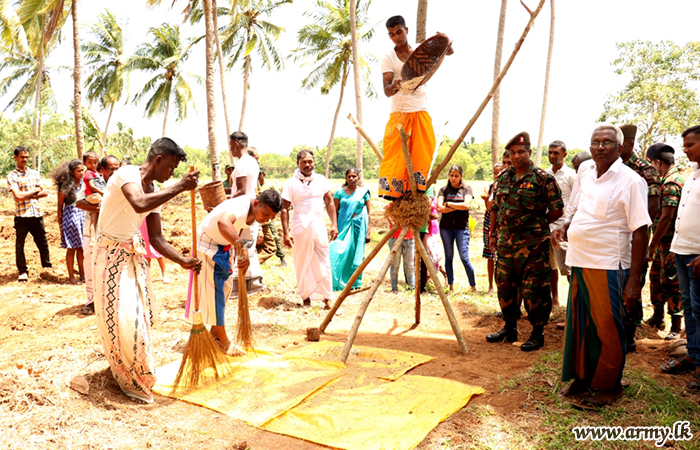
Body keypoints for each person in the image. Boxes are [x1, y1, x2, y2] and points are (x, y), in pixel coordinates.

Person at [93, 137, 200, 403]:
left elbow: (157, 238)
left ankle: (138, 373)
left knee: (137, 318)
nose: (172, 173)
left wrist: (182, 260)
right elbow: (138, 203)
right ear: (159, 160)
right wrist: (180, 187)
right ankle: (126, 375)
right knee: (120, 320)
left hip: (132, 256)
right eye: (171, 167)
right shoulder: (127, 174)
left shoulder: (154, 190)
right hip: (108, 257)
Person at [553, 124, 650, 408]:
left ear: (619, 148)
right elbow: (579, 205)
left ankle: (609, 386)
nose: (600, 147)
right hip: (579, 259)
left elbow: (641, 231)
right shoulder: (586, 171)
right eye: (595, 142)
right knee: (581, 323)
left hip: (608, 263)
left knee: (607, 325)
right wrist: (565, 225)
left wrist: (634, 281)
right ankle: (584, 378)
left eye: (607, 142)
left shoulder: (630, 181)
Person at [487, 132, 564, 351]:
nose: (516, 156)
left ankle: (537, 333)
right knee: (505, 287)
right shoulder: (502, 177)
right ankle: (509, 328)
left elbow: (557, 210)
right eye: (512, 153)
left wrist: (536, 225)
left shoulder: (543, 178)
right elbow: (495, 208)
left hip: (533, 247)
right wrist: (493, 234)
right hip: (505, 246)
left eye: (521, 152)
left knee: (535, 290)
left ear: (529, 153)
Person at [191, 189, 283, 354]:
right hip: (208, 243)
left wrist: (239, 254)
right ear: (256, 203)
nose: (266, 219)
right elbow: (223, 222)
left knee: (226, 289)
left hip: (223, 245)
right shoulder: (241, 206)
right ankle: (224, 341)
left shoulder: (254, 214)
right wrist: (240, 246)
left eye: (270, 218)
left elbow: (238, 229)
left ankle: (214, 332)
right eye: (265, 214)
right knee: (216, 292)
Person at [377, 15, 452, 199]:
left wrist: (445, 42)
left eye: (399, 32)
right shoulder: (388, 58)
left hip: (420, 108)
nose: (396, 36)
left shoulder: (420, 50)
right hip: (399, 112)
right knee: (396, 155)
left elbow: (448, 52)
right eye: (391, 34)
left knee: (424, 149)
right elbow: (386, 90)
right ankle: (393, 193)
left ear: (406, 30)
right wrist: (394, 86)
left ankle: (416, 190)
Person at [663, 125, 700, 391]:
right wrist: (675, 246)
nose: (685, 150)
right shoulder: (692, 176)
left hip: (698, 253)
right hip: (683, 249)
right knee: (688, 305)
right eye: (684, 145)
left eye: (690, 145)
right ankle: (693, 355)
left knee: (699, 308)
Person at [618, 124, 661, 352]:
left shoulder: (645, 170)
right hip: (613, 239)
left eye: (619, 144)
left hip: (636, 238)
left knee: (632, 284)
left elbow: (652, 209)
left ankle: (628, 336)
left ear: (630, 145)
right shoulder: (611, 167)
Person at [281, 149, 338, 308]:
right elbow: (284, 208)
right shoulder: (291, 183)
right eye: (304, 162)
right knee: (302, 260)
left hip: (318, 224)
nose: (308, 164)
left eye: (310, 161)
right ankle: (306, 298)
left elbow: (329, 202)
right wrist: (286, 233)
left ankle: (328, 298)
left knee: (324, 259)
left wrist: (333, 224)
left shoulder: (321, 180)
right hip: (300, 225)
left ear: (314, 162)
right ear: (298, 163)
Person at [646, 143, 684, 340]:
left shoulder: (671, 184)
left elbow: (667, 218)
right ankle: (658, 317)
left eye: (652, 164)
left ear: (658, 162)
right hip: (663, 243)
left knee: (671, 283)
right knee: (655, 279)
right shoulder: (668, 180)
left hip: (669, 244)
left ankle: (676, 326)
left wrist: (653, 243)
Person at [76, 155, 120, 315]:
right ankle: (91, 301)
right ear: (102, 169)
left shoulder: (122, 184)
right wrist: (101, 206)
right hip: (92, 232)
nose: (114, 172)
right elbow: (79, 202)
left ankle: (110, 300)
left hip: (114, 234)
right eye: (111, 169)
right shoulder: (94, 180)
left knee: (112, 267)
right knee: (90, 267)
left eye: (117, 168)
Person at [8, 146, 52, 282]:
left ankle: (47, 268)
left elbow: (44, 192)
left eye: (27, 157)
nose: (25, 159)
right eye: (22, 157)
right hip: (22, 216)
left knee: (43, 243)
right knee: (20, 244)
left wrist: (27, 194)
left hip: (36, 214)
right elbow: (18, 196)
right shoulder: (12, 175)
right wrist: (34, 192)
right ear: (15, 157)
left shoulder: (34, 173)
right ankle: (22, 271)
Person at [545, 141, 576, 307]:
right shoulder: (545, 174)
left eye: (556, 153)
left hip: (564, 228)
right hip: (547, 226)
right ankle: (555, 299)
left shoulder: (571, 176)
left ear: (564, 154)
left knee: (568, 269)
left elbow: (576, 200)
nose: (552, 156)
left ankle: (575, 302)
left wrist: (567, 225)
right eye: (550, 152)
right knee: (551, 266)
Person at [437, 165, 477, 294]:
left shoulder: (466, 189)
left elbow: (467, 205)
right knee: (449, 257)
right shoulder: (443, 190)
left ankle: (473, 287)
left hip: (461, 228)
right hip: (446, 228)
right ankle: (451, 287)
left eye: (456, 176)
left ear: (461, 177)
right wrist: (457, 207)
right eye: (451, 175)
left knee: (464, 258)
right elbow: (439, 208)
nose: (453, 178)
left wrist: (448, 204)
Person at [330, 168, 371, 291]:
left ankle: (354, 282)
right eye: (349, 176)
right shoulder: (339, 192)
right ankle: (337, 280)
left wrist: (368, 231)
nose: (352, 178)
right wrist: (334, 227)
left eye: (354, 176)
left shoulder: (364, 193)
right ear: (346, 178)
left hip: (359, 226)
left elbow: (369, 213)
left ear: (358, 178)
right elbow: (334, 211)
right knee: (339, 251)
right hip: (343, 226)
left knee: (356, 253)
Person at [51, 159, 86, 285]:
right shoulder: (65, 187)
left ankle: (83, 275)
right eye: (78, 171)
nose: (81, 173)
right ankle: (71, 276)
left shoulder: (84, 184)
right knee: (71, 248)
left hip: (82, 217)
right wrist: (61, 227)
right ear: (71, 172)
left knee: (81, 248)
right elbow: (59, 208)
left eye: (82, 170)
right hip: (70, 219)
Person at [255, 168, 287, 266]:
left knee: (274, 239)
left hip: (267, 216)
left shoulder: (269, 185)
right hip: (259, 215)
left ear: (263, 174)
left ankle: (282, 257)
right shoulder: (248, 180)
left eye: (260, 173)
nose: (258, 175)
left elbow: (278, 198)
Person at [482, 163, 504, 293]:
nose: (497, 175)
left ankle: (500, 285)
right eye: (495, 173)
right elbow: (489, 206)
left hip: (502, 222)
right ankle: (490, 285)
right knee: (490, 254)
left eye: (499, 172)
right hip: (490, 221)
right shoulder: (490, 187)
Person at [386, 211, 415, 293]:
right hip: (395, 239)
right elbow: (393, 223)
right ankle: (394, 288)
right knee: (395, 264)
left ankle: (412, 288)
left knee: (409, 265)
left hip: (409, 239)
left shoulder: (411, 207)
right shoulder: (390, 208)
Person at [82, 151, 105, 245]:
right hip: (93, 196)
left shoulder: (95, 173)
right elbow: (92, 186)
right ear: (84, 163)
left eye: (95, 162)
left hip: (95, 197)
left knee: (93, 220)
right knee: (108, 203)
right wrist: (103, 193)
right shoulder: (88, 173)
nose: (93, 165)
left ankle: (92, 239)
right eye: (90, 162)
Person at [139, 219, 170, 283]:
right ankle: (147, 275)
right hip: (142, 223)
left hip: (152, 221)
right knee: (146, 250)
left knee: (158, 250)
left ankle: (164, 274)